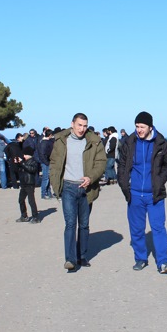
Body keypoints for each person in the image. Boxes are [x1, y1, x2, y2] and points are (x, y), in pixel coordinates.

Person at [117, 111, 167, 273]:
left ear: (150, 127)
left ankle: (163, 262)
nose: (139, 130)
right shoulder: (129, 143)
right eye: (137, 126)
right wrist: (124, 183)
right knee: (136, 229)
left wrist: (159, 179)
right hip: (135, 194)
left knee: (158, 228)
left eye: (142, 127)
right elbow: (121, 165)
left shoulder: (162, 143)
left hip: (154, 195)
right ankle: (141, 258)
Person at [49, 113, 106, 272]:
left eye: (85, 125)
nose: (82, 129)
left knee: (84, 224)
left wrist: (91, 177)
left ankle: (82, 255)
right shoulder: (61, 140)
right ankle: (70, 259)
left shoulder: (94, 141)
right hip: (68, 187)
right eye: (79, 125)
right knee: (70, 223)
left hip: (86, 188)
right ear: (72, 124)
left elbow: (101, 163)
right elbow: (54, 163)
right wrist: (55, 186)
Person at [17, 146, 40, 223]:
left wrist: (22, 163)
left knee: (31, 201)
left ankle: (35, 217)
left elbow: (32, 169)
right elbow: (19, 170)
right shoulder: (24, 161)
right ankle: (24, 216)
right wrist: (18, 163)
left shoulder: (33, 161)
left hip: (30, 183)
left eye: (25, 155)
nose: (23, 156)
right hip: (23, 183)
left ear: (29, 155)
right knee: (21, 200)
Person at [37, 128, 55, 199]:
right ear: (50, 135)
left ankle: (49, 193)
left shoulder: (46, 142)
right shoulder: (44, 142)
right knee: (45, 178)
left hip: (47, 161)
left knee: (48, 178)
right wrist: (46, 162)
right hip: (45, 162)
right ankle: (43, 193)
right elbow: (42, 154)